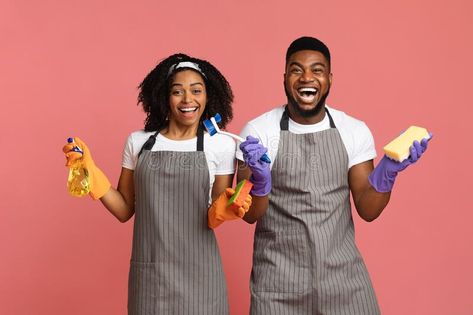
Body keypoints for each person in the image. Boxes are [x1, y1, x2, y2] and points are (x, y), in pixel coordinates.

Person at [236, 37, 431, 314]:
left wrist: (387, 172)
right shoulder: (257, 132)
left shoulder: (353, 130)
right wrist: (260, 181)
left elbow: (368, 208)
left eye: (317, 70)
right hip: (278, 286)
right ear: (284, 78)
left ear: (329, 78)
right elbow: (249, 214)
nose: (307, 77)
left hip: (344, 284)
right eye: (296, 69)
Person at [63, 53, 252, 314]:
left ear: (208, 97)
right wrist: (91, 173)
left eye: (196, 90)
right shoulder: (138, 142)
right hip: (150, 277)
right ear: (164, 96)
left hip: (202, 278)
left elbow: (212, 216)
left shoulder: (221, 145)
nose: (188, 99)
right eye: (178, 91)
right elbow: (124, 209)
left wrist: (225, 210)